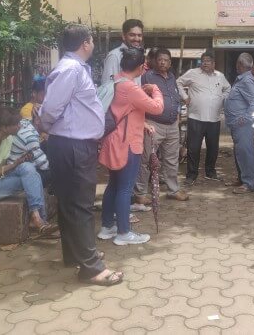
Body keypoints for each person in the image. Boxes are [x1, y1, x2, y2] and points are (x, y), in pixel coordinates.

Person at [39, 24, 121, 286]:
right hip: (73, 145)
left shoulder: (72, 68)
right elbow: (51, 108)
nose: (93, 45)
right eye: (92, 41)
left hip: (71, 143)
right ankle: (91, 268)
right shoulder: (72, 70)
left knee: (70, 204)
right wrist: (48, 125)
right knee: (81, 206)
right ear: (85, 43)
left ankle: (77, 255)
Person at [97, 47, 162, 245]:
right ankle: (124, 233)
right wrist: (155, 90)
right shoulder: (131, 88)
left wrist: (142, 123)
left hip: (113, 142)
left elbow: (123, 111)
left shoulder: (116, 82)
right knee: (125, 189)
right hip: (127, 144)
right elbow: (157, 108)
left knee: (114, 185)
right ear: (142, 67)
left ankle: (107, 227)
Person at [135, 48, 185, 202]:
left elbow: (175, 98)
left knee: (171, 159)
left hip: (172, 125)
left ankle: (172, 190)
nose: (163, 62)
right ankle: (140, 194)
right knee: (146, 160)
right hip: (153, 124)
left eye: (166, 60)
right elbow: (140, 99)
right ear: (154, 61)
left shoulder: (171, 77)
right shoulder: (146, 77)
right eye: (160, 59)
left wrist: (177, 117)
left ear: (170, 63)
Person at [177, 50, 230, 183]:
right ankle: (191, 175)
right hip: (196, 117)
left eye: (208, 61)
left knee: (213, 147)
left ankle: (210, 172)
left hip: (214, 119)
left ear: (214, 63)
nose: (205, 63)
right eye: (203, 61)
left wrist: (221, 98)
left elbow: (228, 89)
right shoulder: (193, 73)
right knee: (193, 147)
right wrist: (185, 97)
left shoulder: (220, 76)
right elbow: (178, 82)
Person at [225, 53, 254, 194]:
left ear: (239, 65)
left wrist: (246, 117)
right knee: (240, 152)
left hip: (243, 125)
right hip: (237, 124)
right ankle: (242, 179)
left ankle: (248, 183)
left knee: (245, 153)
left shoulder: (246, 80)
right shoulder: (243, 79)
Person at [101, 19, 145, 85]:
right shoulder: (114, 56)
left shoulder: (139, 55)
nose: (136, 39)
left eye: (139, 35)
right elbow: (107, 85)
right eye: (132, 35)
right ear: (124, 36)